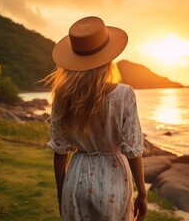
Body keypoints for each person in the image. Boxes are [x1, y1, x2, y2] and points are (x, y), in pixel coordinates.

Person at [45, 16, 147, 221]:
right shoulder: (124, 94)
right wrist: (143, 194)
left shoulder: (63, 97)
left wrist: (61, 194)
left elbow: (60, 151)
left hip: (76, 180)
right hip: (114, 180)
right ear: (108, 58)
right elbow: (133, 150)